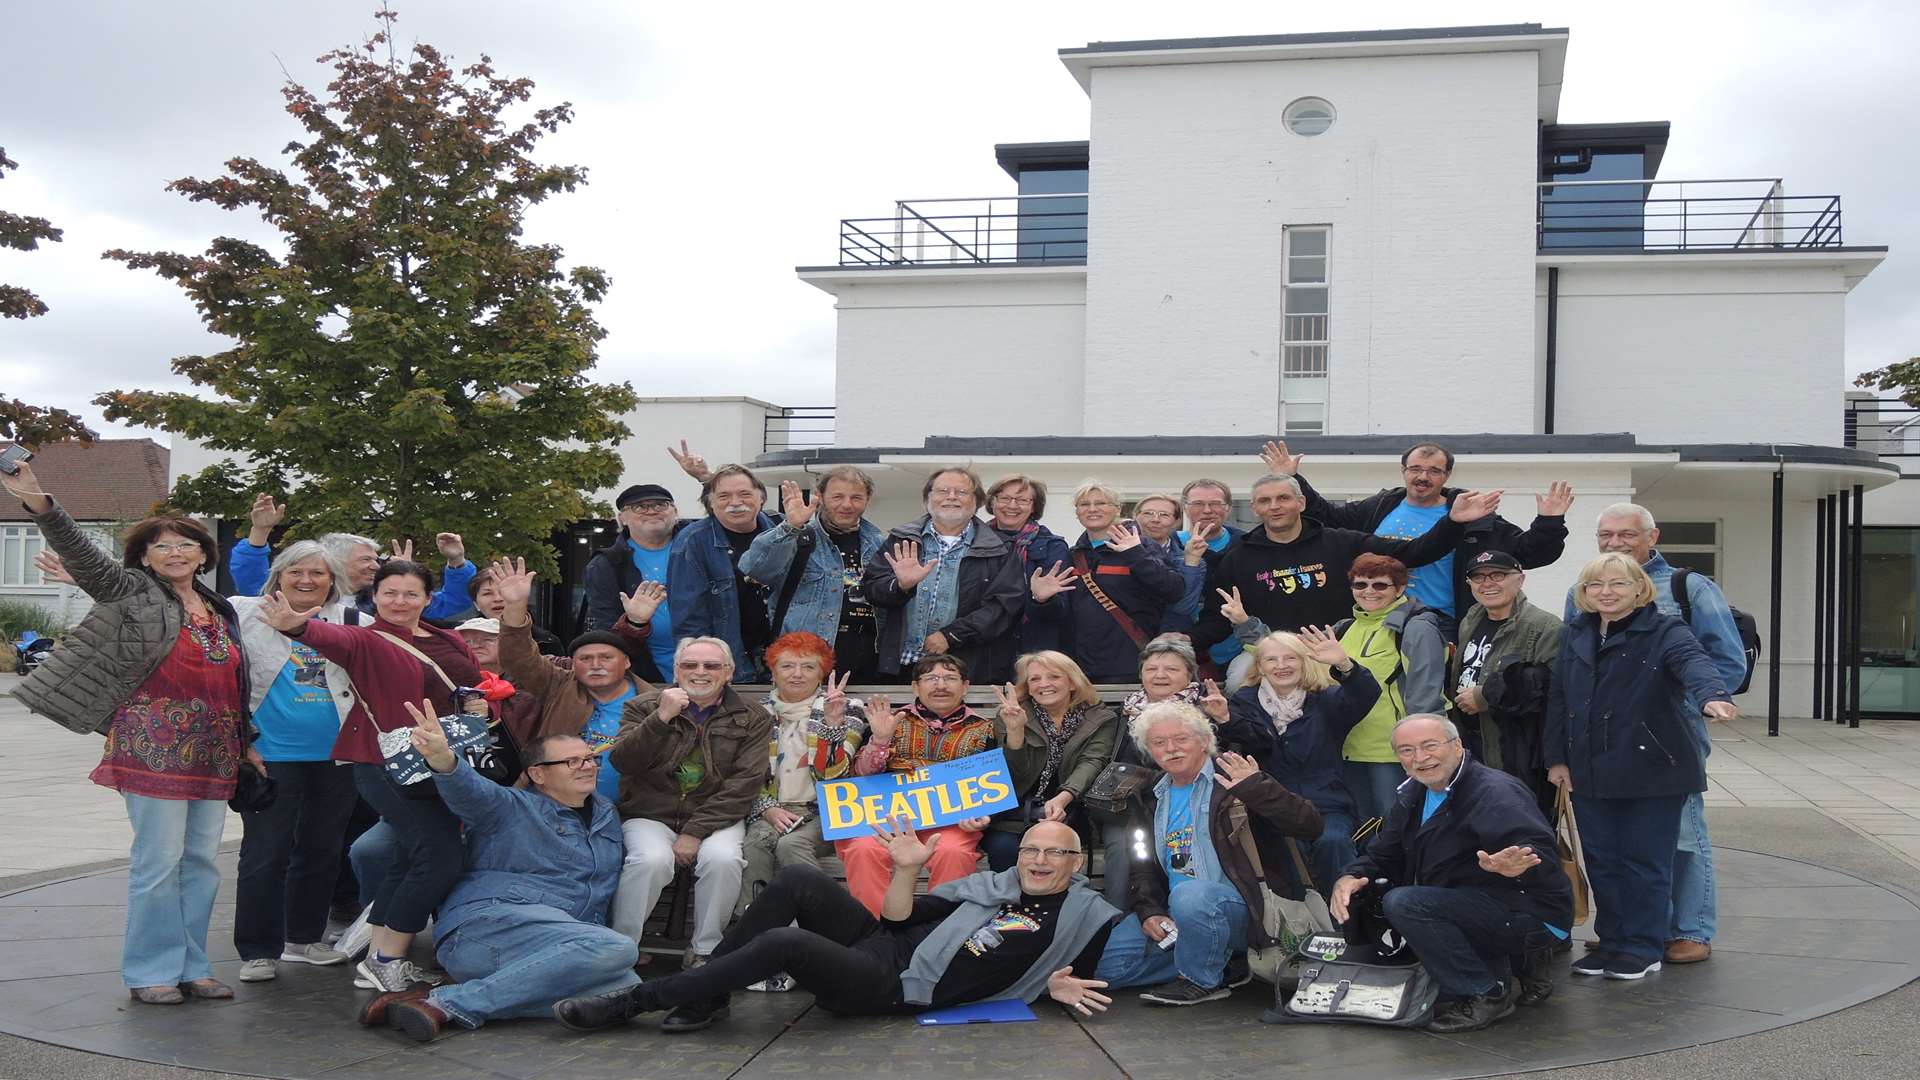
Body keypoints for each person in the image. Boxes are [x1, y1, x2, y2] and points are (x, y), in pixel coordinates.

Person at [7, 461, 259, 1005]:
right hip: (152, 745)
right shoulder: (132, 594)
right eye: (162, 546)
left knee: (201, 863)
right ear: (144, 557)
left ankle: (192, 965)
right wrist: (39, 502)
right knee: (157, 862)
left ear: (202, 554)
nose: (175, 553)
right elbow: (82, 555)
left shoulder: (218, 608)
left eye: (185, 544)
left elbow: (235, 680)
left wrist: (249, 743)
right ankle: (150, 971)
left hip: (216, 749)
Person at [553, 817, 1130, 1032]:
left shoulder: (1089, 915)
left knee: (786, 942)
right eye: (1031, 850)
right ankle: (708, 995)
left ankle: (635, 1001)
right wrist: (907, 870)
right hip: (885, 943)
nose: (1038, 861)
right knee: (800, 881)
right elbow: (896, 916)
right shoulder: (991, 885)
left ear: (1077, 865)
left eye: (1055, 855)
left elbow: (1083, 977)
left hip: (897, 986)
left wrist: (1054, 986)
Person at [257, 559, 483, 994]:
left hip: (438, 760)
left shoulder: (443, 637)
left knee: (408, 855)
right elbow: (330, 636)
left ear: (427, 599)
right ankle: (387, 958)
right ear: (374, 597)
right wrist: (296, 626)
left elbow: (469, 684)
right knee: (439, 855)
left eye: (411, 593)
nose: (400, 601)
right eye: (390, 593)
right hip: (387, 764)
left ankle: (380, 958)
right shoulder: (366, 638)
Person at [356, 707, 637, 1042]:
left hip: (558, 944)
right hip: (484, 931)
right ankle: (446, 1004)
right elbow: (471, 792)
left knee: (626, 988)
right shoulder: (509, 806)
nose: (587, 766)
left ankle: (435, 1000)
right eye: (572, 761)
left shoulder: (607, 815)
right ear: (538, 774)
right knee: (618, 948)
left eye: (590, 758)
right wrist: (443, 758)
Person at [1546, 553, 1738, 981]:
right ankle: (1612, 942)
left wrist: (1712, 695)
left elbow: (1695, 663)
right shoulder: (1576, 633)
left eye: (1617, 583)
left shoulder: (1665, 630)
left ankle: (1643, 946)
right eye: (1596, 585)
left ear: (1639, 588)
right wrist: (1557, 758)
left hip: (1652, 770)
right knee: (1603, 861)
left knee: (1645, 862)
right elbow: (1560, 699)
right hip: (1590, 770)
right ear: (1584, 593)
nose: (1606, 593)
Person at [1330, 714, 1574, 1033]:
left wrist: (1518, 867)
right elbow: (1382, 853)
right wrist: (1350, 876)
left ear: (1457, 745)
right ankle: (1522, 962)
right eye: (1406, 750)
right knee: (1365, 896)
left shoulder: (1493, 793)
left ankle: (1485, 993)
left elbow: (1537, 851)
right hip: (1475, 903)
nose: (1419, 757)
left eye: (1430, 745)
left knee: (1405, 903)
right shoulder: (1414, 793)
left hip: (1531, 912)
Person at [1127, 701, 1325, 1006]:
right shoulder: (1149, 795)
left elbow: (1309, 825)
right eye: (1159, 743)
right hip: (1175, 914)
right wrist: (1149, 909)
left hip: (1245, 911)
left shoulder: (1236, 779)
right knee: (1110, 964)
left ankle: (1201, 979)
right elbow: (1141, 863)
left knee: (1192, 896)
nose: (1171, 749)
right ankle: (1220, 960)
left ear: (1205, 740)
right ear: (1148, 750)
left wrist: (1256, 788)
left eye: (1181, 739)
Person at [228, 542, 360, 982]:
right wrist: (257, 536)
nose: (307, 580)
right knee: (266, 852)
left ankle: (303, 939)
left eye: (318, 574)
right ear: (278, 577)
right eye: (296, 572)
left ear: (333, 580)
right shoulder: (248, 614)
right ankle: (257, 949)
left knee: (321, 851)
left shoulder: (350, 619)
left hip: (336, 756)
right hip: (272, 755)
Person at [1190, 473, 1501, 659]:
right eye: (1265, 501)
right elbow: (1217, 618)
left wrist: (1452, 522)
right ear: (1255, 508)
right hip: (1274, 655)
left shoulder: (1343, 542)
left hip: (1343, 650)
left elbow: (1413, 553)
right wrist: (1182, 641)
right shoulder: (1239, 557)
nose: (1275, 506)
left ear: (1301, 503)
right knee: (1236, 683)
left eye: (1283, 498)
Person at [1279, 439, 1573, 632]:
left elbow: (1529, 553)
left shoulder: (1471, 515)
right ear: (1403, 471)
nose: (1423, 477)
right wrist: (1293, 480)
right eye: (1416, 469)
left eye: (1434, 471)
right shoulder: (1380, 507)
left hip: (1441, 621)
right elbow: (1328, 517)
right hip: (1377, 618)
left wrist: (1549, 521)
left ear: (1446, 476)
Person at [606, 636, 772, 964]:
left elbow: (744, 783)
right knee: (649, 861)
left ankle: (705, 950)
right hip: (651, 812)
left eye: (712, 666)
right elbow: (623, 762)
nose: (700, 672)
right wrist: (660, 719)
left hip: (716, 816)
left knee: (723, 860)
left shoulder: (752, 716)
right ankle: (621, 949)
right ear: (676, 670)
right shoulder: (643, 707)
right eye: (690, 665)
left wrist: (695, 831)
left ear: (729, 672)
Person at [836, 654, 997, 915]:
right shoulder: (893, 722)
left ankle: (940, 933)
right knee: (863, 849)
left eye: (950, 678)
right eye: (931, 678)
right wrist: (880, 739)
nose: (940, 685)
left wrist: (978, 813)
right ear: (915, 687)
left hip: (950, 822)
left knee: (952, 852)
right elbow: (861, 776)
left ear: (965, 686)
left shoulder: (984, 728)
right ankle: (875, 932)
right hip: (889, 818)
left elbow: (990, 788)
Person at [1223, 627, 1381, 892]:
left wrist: (1344, 664)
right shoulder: (1241, 703)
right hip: (1271, 807)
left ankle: (1346, 919)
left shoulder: (1324, 699)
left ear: (1303, 662)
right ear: (1259, 667)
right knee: (1282, 852)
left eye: (1290, 658)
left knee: (1333, 843)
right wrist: (1224, 720)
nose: (1281, 665)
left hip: (1327, 805)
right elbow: (1246, 737)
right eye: (1271, 659)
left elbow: (1365, 694)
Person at [489, 559, 655, 800]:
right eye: (585, 659)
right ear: (572, 664)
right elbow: (519, 659)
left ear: (627, 662)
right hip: (555, 808)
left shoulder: (653, 703)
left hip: (632, 812)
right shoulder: (558, 685)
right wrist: (515, 607)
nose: (595, 665)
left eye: (606, 658)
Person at [1093, 636, 1233, 908]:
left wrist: (1224, 721)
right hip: (1130, 805)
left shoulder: (1209, 708)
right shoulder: (1123, 712)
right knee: (1125, 846)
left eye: (1171, 669)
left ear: (1189, 674)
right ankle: (1119, 920)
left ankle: (1201, 912)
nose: (1159, 675)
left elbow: (1230, 754)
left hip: (1193, 800)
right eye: (1151, 669)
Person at [741, 632, 867, 920]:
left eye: (808, 667)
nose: (797, 674)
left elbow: (832, 776)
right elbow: (742, 772)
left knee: (790, 845)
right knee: (757, 841)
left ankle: (819, 926)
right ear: (772, 671)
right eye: (787, 666)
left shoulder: (847, 707)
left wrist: (832, 725)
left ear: (822, 672)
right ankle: (756, 928)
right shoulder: (756, 713)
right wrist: (765, 808)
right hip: (772, 810)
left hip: (825, 813)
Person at [864, 466, 1025, 684]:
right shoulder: (900, 540)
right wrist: (900, 586)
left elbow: (1004, 608)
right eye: (942, 491)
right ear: (927, 499)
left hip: (967, 671)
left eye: (961, 492)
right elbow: (872, 589)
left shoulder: (1000, 549)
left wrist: (951, 635)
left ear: (976, 501)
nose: (951, 497)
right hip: (901, 669)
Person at [1026, 481, 1187, 682]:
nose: (1092, 509)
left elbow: (1174, 590)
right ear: (1077, 512)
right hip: (1080, 667)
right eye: (1084, 504)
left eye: (1101, 503)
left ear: (1117, 509)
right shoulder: (1073, 554)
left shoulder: (1142, 546)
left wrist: (1135, 554)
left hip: (1130, 663)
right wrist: (1041, 600)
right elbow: (1059, 614)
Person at [740, 467, 887, 682]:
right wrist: (790, 526)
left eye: (856, 497)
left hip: (868, 659)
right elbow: (756, 568)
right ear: (821, 496)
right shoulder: (798, 536)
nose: (847, 504)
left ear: (868, 500)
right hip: (805, 660)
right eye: (837, 496)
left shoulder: (878, 543)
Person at [1332, 555, 1449, 822]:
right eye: (1360, 585)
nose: (1369, 592)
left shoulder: (1416, 628)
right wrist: (1246, 624)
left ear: (1400, 589)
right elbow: (1288, 660)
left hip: (1394, 754)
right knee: (1366, 834)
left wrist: (1421, 755)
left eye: (1380, 585)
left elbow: (1426, 697)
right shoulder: (1345, 628)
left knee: (1400, 833)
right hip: (1349, 749)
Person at [227, 502, 477, 622]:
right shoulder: (288, 597)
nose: (376, 566)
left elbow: (451, 603)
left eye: (377, 560)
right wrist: (259, 533)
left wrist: (456, 562)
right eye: (366, 559)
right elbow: (252, 578)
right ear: (336, 561)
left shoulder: (381, 601)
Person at [983, 651, 1119, 870]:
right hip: (1016, 813)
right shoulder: (1010, 714)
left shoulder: (1101, 718)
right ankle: (1009, 905)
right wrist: (1015, 731)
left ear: (1072, 683)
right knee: (1004, 849)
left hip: (1071, 808)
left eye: (1054, 676)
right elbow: (1013, 775)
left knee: (1056, 848)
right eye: (1034, 679)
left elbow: (1092, 762)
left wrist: (1063, 799)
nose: (1043, 684)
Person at [1454, 550, 1563, 813]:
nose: (1487, 583)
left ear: (1520, 580)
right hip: (1470, 744)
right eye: (1478, 577)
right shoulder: (1471, 619)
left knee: (1516, 828)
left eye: (1498, 575)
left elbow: (1548, 690)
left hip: (1515, 752)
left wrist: (1484, 697)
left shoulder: (1545, 626)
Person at [670, 465, 778, 682]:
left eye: (745, 494)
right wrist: (706, 667)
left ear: (762, 498)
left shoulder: (783, 530)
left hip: (784, 661)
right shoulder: (692, 541)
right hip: (729, 664)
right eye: (724, 496)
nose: (735, 502)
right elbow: (690, 617)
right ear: (710, 502)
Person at [582, 482, 684, 681]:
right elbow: (606, 631)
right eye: (639, 507)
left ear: (675, 511)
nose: (651, 511)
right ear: (622, 518)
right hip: (641, 673)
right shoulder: (606, 564)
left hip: (707, 665)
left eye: (660, 505)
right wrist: (633, 622)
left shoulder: (697, 549)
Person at [985, 474, 1072, 655]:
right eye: (1005, 498)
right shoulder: (974, 541)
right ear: (992, 502)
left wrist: (1042, 600)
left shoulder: (1053, 546)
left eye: (1022, 500)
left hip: (1030, 646)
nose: (1012, 505)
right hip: (982, 644)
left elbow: (1060, 611)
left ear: (1034, 506)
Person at [1175, 479, 1243, 674]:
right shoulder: (1169, 545)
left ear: (1228, 509)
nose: (1207, 510)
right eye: (1197, 504)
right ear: (1185, 508)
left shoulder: (1246, 544)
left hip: (1234, 649)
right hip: (1178, 647)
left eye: (1215, 504)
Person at [1132, 492, 1210, 634]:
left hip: (1169, 640)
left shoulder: (1189, 558)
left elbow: (1184, 607)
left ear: (1176, 522)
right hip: (1125, 638)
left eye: (1164, 515)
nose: (1155, 519)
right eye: (1148, 513)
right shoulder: (1117, 553)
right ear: (1135, 517)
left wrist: (1191, 563)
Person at [468, 563, 563, 656]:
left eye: (503, 591)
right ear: (476, 604)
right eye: (487, 594)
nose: (497, 598)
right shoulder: (460, 640)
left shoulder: (546, 642)